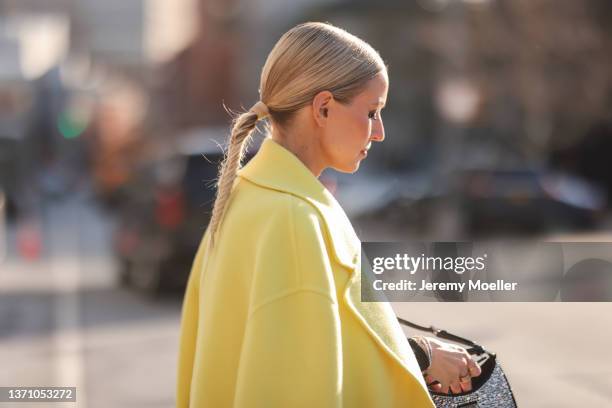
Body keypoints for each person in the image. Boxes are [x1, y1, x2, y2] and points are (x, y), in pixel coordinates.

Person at [176, 21, 480, 408]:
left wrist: (419, 353)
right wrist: (423, 357)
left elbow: (317, 345)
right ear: (322, 108)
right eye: (372, 112)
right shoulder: (292, 219)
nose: (379, 131)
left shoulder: (255, 197)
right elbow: (304, 389)